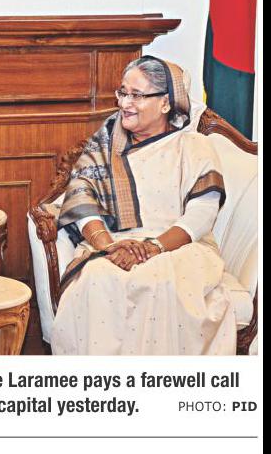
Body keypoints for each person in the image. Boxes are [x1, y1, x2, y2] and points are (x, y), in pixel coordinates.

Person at [52, 56, 236, 355]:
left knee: (159, 281)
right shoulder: (103, 146)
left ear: (165, 102)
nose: (125, 103)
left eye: (136, 95)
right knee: (97, 278)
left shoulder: (193, 147)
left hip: (177, 246)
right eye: (122, 93)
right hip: (112, 245)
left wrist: (154, 247)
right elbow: (83, 203)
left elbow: (202, 214)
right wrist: (108, 246)